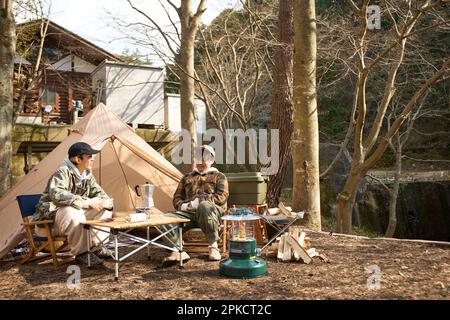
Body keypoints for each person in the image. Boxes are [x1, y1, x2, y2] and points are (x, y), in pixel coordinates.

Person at [32, 142, 114, 264]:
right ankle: (82, 253)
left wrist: (105, 201)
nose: (93, 158)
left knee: (103, 208)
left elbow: (98, 192)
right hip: (51, 222)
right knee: (72, 210)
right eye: (89, 156)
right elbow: (58, 195)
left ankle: (96, 246)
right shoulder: (62, 172)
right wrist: (87, 202)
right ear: (77, 159)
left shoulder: (87, 175)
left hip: (72, 219)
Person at [161, 145, 229, 264]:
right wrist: (184, 206)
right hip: (189, 214)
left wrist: (199, 202)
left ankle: (213, 247)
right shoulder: (186, 178)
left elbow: (222, 197)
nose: (200, 162)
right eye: (198, 159)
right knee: (164, 219)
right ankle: (178, 251)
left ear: (211, 160)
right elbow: (176, 198)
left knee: (204, 206)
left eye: (204, 159)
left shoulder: (219, 176)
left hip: (211, 212)